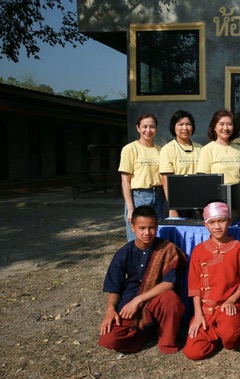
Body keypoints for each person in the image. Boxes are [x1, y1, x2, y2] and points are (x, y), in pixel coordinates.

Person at [98, 205, 187, 354]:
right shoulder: (124, 253)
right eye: (142, 228)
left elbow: (169, 284)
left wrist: (138, 300)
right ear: (132, 227)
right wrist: (110, 309)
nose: (147, 232)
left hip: (156, 299)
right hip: (129, 304)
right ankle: (144, 331)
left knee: (170, 299)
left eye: (151, 227)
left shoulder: (167, 249)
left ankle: (167, 340)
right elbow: (114, 287)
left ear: (157, 227)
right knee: (109, 339)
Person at [182, 201, 240, 360]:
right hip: (206, 308)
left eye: (221, 221)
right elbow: (194, 286)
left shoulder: (239, 248)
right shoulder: (199, 250)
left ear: (229, 221)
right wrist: (198, 314)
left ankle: (221, 333)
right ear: (205, 225)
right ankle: (213, 333)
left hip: (228, 306)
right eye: (211, 222)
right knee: (193, 352)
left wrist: (231, 300)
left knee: (231, 341)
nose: (217, 226)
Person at [118, 113, 164, 241]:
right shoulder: (130, 149)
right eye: (144, 127)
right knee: (137, 237)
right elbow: (125, 181)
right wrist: (131, 207)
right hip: (139, 196)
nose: (148, 130)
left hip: (159, 196)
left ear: (156, 129)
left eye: (152, 127)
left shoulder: (161, 150)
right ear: (138, 128)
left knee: (156, 234)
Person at [159, 110, 203, 218]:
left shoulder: (200, 148)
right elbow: (165, 179)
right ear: (173, 127)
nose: (185, 128)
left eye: (188, 124)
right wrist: (172, 207)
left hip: (198, 201)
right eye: (180, 124)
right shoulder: (168, 149)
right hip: (177, 200)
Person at [196, 109, 240, 184]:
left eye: (229, 124)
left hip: (238, 193)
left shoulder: (239, 149)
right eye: (221, 124)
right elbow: (203, 179)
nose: (225, 128)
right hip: (218, 194)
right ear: (214, 127)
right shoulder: (207, 149)